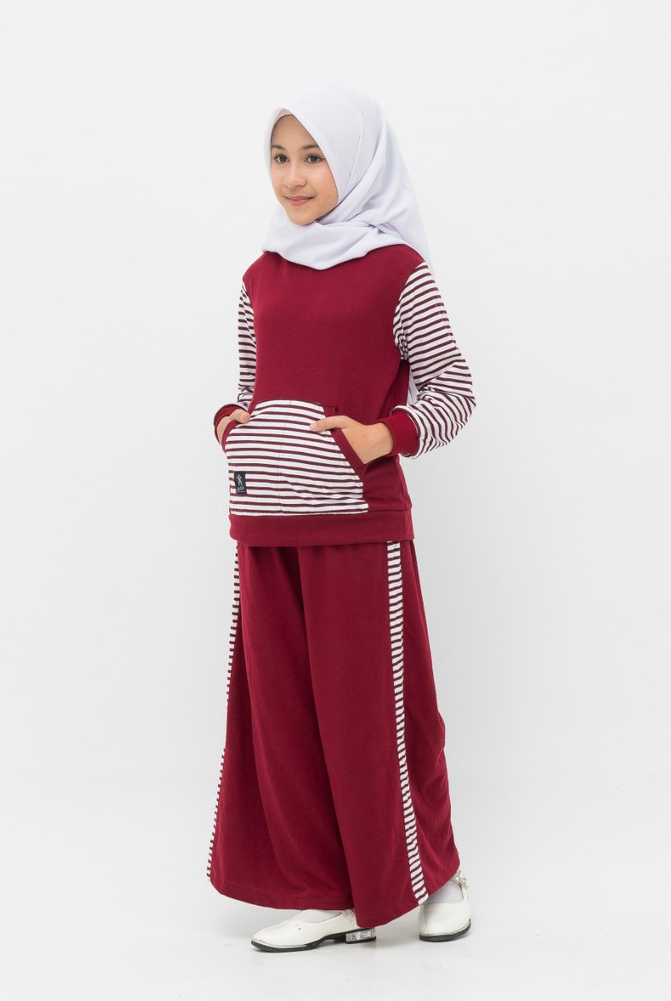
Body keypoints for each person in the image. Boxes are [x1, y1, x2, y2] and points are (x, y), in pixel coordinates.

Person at [206, 81, 476, 953]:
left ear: (357, 162)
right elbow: (250, 388)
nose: (294, 177)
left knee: (384, 714)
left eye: (315, 157)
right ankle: (324, 892)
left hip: (360, 528)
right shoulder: (260, 276)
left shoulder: (397, 271)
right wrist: (232, 424)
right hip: (268, 527)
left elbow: (454, 391)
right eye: (280, 157)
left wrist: (383, 434)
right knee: (285, 720)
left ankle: (436, 873)